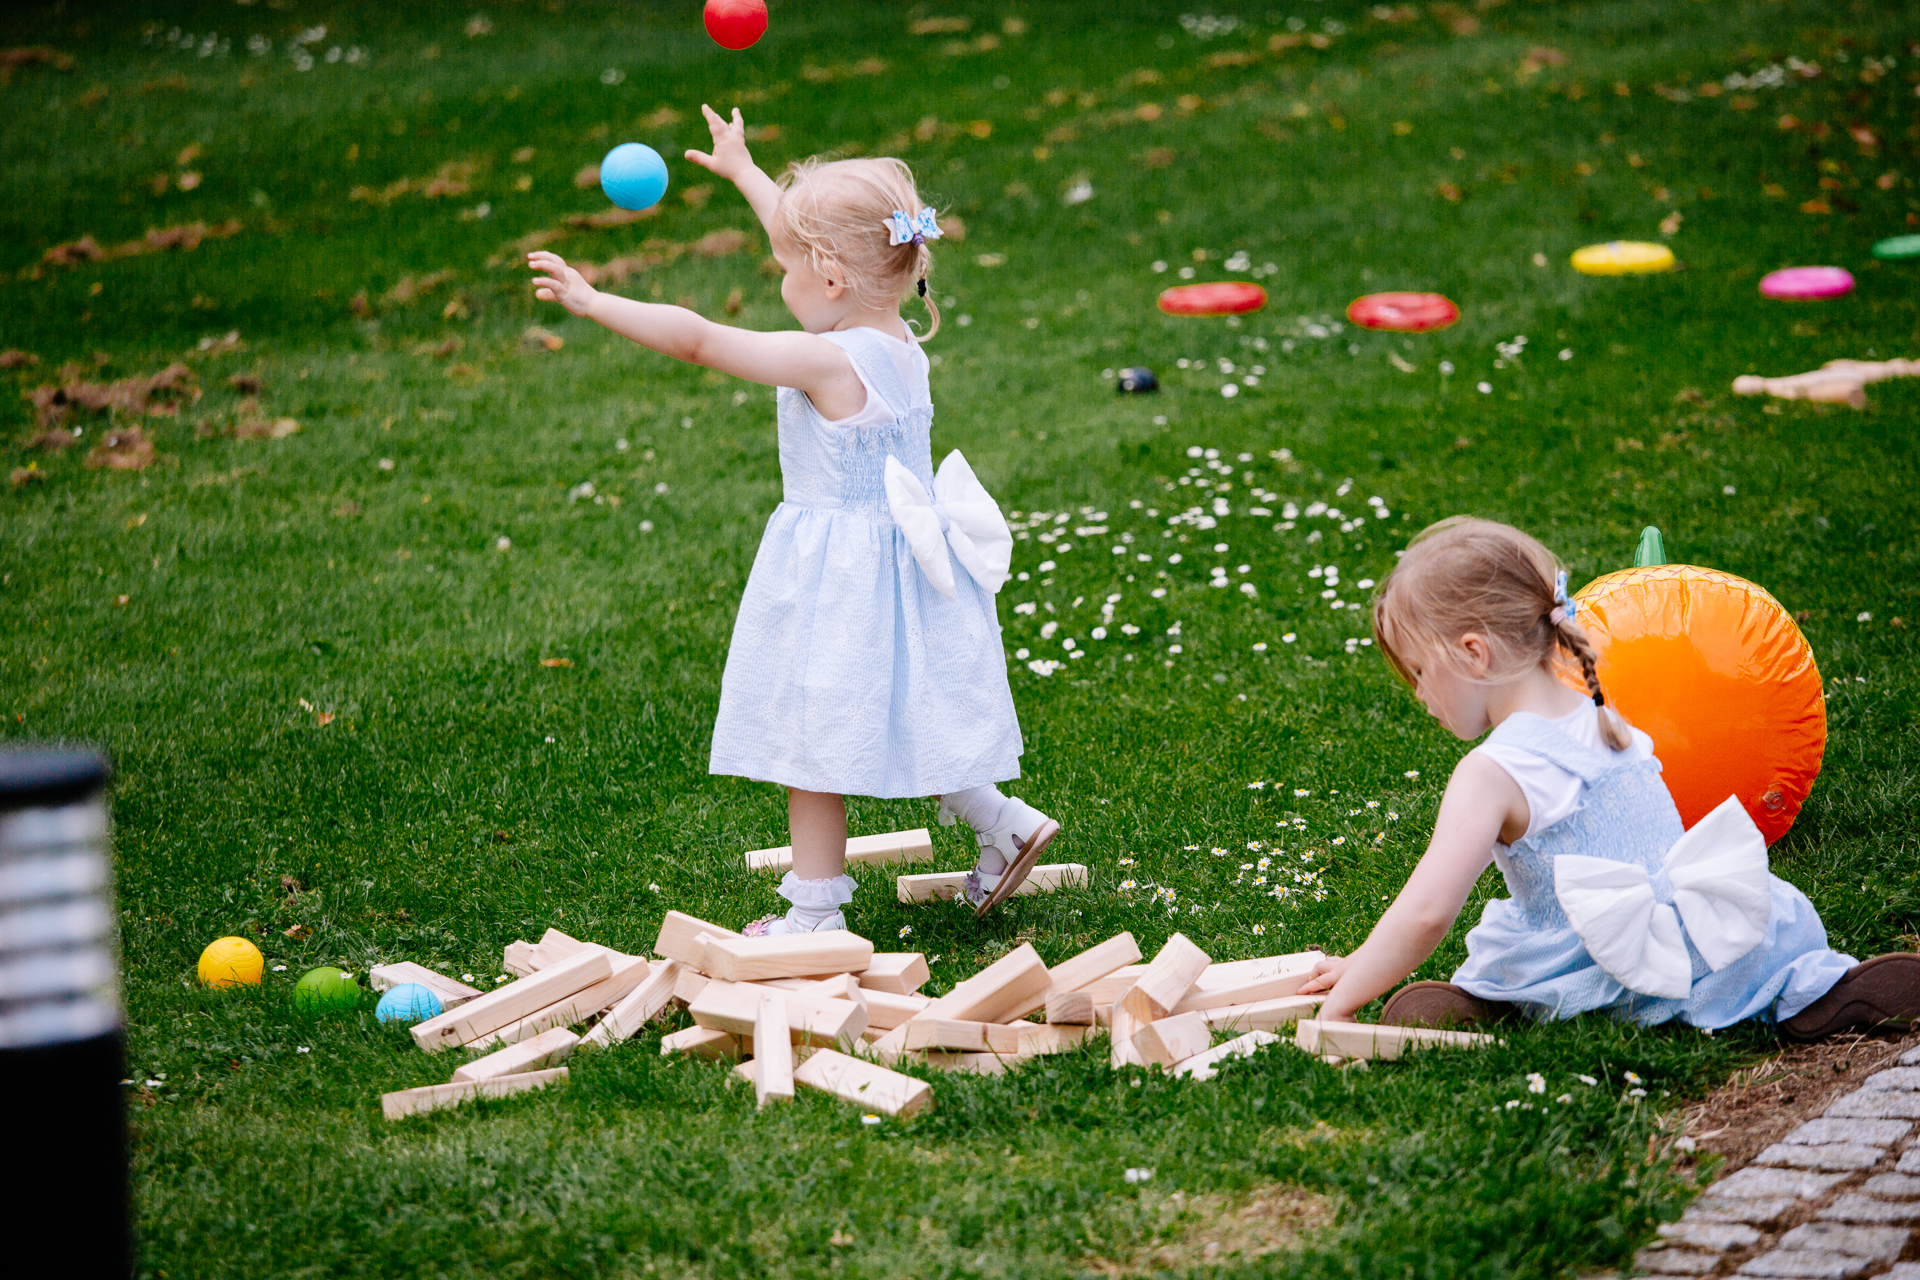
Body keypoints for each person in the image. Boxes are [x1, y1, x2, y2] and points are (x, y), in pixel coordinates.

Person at [527, 106, 1058, 934]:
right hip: (908, 568)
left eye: (786, 268)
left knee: (815, 745)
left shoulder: (826, 360)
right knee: (909, 709)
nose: (781, 279)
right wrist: (744, 171)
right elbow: (812, 240)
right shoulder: (899, 343)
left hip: (840, 577)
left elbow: (701, 341)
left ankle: (814, 915)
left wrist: (597, 302)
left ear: (834, 279)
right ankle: (1004, 823)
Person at [1297, 516, 1919, 1041]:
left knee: (1523, 951)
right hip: (1704, 937)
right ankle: (1815, 992)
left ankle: (1501, 1002)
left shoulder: (1490, 772)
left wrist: (1346, 998)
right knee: (1742, 971)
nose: (1420, 697)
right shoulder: (1601, 716)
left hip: (1600, 957)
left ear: (1472, 653)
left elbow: (1428, 912)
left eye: (1418, 674)